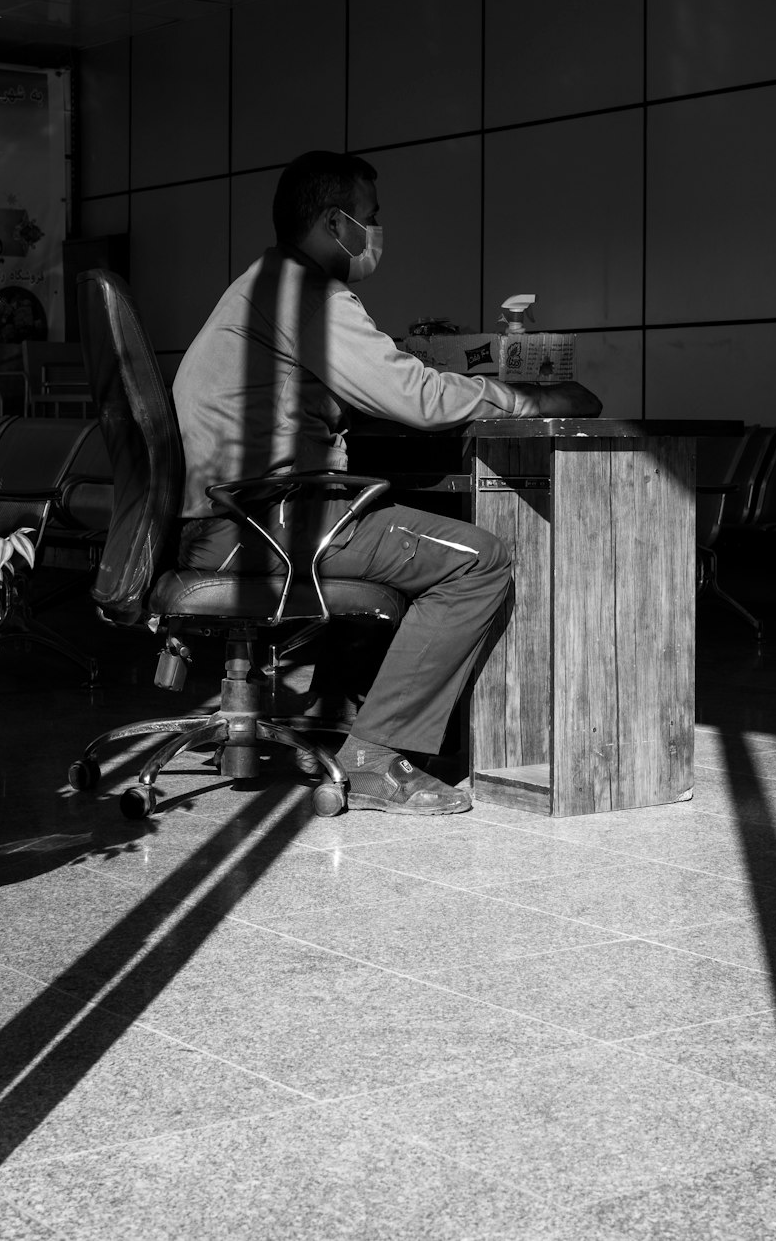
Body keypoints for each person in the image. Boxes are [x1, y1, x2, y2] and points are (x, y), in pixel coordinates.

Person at [172, 149, 601, 815]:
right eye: (370, 218)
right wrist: (523, 400)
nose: (377, 233)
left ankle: (336, 707)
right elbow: (415, 395)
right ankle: (375, 759)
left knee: (390, 527)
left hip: (229, 523)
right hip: (265, 527)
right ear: (335, 222)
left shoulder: (264, 285)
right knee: (479, 562)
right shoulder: (306, 291)